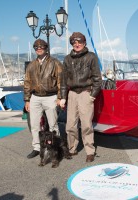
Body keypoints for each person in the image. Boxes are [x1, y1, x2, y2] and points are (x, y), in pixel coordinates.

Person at [60, 32, 102, 162]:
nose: (77, 44)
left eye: (79, 42)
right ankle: (72, 148)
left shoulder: (91, 57)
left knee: (86, 125)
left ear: (84, 43)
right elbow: (63, 80)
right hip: (72, 93)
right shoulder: (67, 59)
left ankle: (90, 151)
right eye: (74, 42)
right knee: (70, 125)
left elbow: (97, 78)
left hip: (86, 93)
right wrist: (63, 97)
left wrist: (93, 95)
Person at [24, 39, 64, 159]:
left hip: (50, 97)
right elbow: (27, 83)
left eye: (41, 46)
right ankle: (37, 147)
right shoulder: (31, 65)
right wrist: (27, 99)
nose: (39, 48)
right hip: (35, 97)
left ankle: (56, 146)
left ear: (46, 48)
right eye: (36, 47)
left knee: (53, 125)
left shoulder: (55, 62)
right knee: (35, 125)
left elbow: (61, 81)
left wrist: (60, 97)